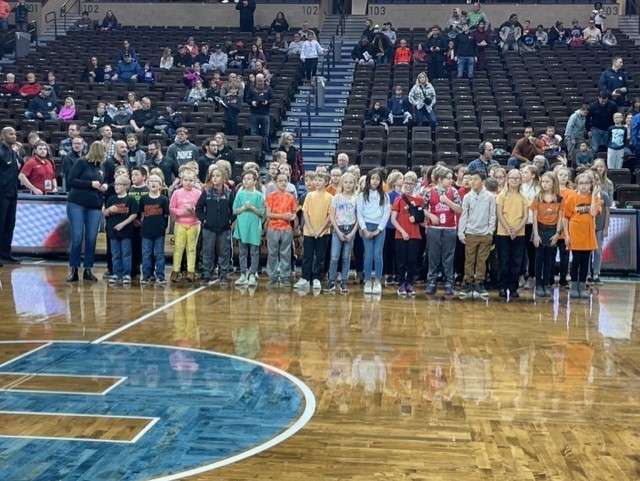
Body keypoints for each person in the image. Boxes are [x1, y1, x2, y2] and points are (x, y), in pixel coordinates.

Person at [65, 141, 109, 282]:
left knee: (91, 238)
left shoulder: (101, 166)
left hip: (94, 205)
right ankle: (74, 269)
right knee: (77, 237)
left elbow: (105, 180)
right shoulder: (81, 162)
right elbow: (71, 180)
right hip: (77, 203)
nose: (106, 155)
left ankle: (88, 269)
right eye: (104, 151)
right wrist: (90, 184)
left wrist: (104, 185)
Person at [423, 166, 461, 296]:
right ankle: (432, 281)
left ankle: (448, 282)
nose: (451, 181)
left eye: (451, 178)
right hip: (434, 228)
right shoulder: (428, 192)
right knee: (433, 256)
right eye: (448, 178)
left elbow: (459, 209)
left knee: (448, 257)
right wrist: (431, 216)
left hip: (449, 228)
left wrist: (447, 201)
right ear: (440, 179)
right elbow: (422, 208)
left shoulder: (453, 192)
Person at [457, 171, 495, 299]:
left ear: (483, 182)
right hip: (471, 232)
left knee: (481, 260)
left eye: (475, 179)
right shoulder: (467, 197)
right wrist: (461, 232)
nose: (472, 181)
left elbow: (492, 215)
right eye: (471, 179)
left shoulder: (490, 197)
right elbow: (464, 215)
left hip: (485, 233)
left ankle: (479, 282)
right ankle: (467, 282)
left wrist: (490, 231)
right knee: (469, 260)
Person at [294, 172, 333, 290]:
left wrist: (320, 230)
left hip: (323, 232)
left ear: (326, 182)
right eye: (315, 180)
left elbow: (330, 216)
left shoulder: (330, 197)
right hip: (308, 232)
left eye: (320, 180)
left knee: (320, 257)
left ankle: (317, 278)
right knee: (307, 256)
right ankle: (305, 277)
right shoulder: (309, 196)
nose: (316, 182)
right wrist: (310, 229)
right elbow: (305, 212)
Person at [195, 166, 233, 285]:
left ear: (223, 178)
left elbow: (233, 210)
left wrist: (229, 221)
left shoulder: (228, 193)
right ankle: (207, 274)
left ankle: (223, 274)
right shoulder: (206, 192)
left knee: (224, 251)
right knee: (208, 251)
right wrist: (204, 220)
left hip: (224, 227)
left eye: (217, 176)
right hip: (208, 227)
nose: (215, 178)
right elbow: (199, 209)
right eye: (213, 176)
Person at [564, 172, 600, 298]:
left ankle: (582, 287)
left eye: (586, 183)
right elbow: (565, 218)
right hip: (575, 233)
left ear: (591, 185)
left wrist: (594, 195)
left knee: (586, 262)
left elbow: (594, 212)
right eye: (581, 183)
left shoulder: (594, 198)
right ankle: (574, 287)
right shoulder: (571, 198)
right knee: (576, 261)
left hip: (588, 234)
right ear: (577, 185)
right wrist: (567, 235)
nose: (584, 186)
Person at [530, 172, 564, 298]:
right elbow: (534, 218)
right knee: (538, 259)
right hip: (539, 228)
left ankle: (546, 284)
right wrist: (536, 235)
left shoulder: (559, 199)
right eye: (543, 182)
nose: (544, 184)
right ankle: (538, 284)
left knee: (549, 259)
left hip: (552, 230)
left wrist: (557, 234)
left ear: (553, 183)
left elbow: (560, 217)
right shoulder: (537, 197)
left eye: (547, 182)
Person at [495, 169, 528, 299]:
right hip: (503, 232)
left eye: (517, 178)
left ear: (520, 181)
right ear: (507, 180)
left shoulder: (523, 197)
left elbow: (525, 216)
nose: (514, 180)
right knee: (504, 260)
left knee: (516, 261)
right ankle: (502, 287)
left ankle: (513, 288)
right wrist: (508, 228)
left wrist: (517, 228)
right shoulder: (502, 196)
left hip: (519, 233)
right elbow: (499, 213)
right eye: (512, 178)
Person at [356, 168, 390, 295]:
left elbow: (386, 214)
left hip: (379, 228)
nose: (375, 181)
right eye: (373, 179)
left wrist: (379, 229)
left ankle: (377, 280)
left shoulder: (385, 196)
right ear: (368, 180)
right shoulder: (361, 195)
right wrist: (364, 229)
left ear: (381, 181)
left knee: (378, 254)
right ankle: (367, 280)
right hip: (366, 226)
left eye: (378, 179)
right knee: (369, 254)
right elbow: (359, 213)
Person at [390, 171, 424, 297]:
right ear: (402, 183)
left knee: (412, 260)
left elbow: (421, 216)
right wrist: (402, 231)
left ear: (415, 184)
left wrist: (416, 219)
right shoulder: (399, 199)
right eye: (406, 183)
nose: (408, 186)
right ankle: (401, 283)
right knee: (400, 261)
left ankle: (410, 283)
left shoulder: (419, 199)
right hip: (401, 235)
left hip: (415, 234)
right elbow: (393, 219)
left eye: (411, 183)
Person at [324, 172, 357, 293]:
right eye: (346, 182)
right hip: (338, 229)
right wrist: (337, 231)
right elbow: (332, 216)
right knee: (334, 256)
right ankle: (331, 281)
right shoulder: (336, 198)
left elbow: (358, 218)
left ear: (354, 184)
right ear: (342, 183)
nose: (348, 185)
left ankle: (344, 281)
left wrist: (352, 232)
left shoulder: (356, 198)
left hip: (350, 229)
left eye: (351, 182)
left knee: (346, 257)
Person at [103, 175, 138, 285]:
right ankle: (116, 273)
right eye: (115, 184)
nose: (116, 186)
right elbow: (105, 213)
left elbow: (134, 214)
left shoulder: (130, 199)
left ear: (126, 186)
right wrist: (109, 209)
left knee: (126, 253)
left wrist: (123, 224)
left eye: (119, 184)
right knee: (115, 253)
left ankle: (126, 273)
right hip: (113, 231)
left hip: (126, 231)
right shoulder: (111, 199)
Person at [265, 172, 297, 286]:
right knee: (272, 252)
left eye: (285, 180)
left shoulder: (290, 197)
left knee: (286, 253)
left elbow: (294, 213)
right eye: (281, 181)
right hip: (273, 227)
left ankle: (285, 275)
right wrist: (282, 216)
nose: (283, 183)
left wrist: (291, 216)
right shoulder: (270, 196)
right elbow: (268, 214)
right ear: (275, 182)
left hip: (286, 228)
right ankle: (272, 275)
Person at [233, 170, 264, 287]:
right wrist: (243, 208)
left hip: (254, 228)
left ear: (255, 181)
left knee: (254, 252)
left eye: (249, 179)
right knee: (242, 252)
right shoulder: (240, 194)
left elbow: (261, 212)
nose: (245, 181)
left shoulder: (259, 196)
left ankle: (252, 273)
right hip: (242, 228)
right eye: (244, 179)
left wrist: (251, 207)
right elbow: (235, 210)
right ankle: (243, 274)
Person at [169, 169, 201, 283]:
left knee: (191, 248)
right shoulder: (177, 193)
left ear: (195, 181)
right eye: (186, 180)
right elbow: (171, 207)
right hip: (180, 223)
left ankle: (190, 271)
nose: (188, 182)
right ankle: (176, 270)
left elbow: (202, 208)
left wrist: (193, 210)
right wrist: (182, 212)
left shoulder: (198, 193)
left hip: (194, 223)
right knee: (178, 247)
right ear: (181, 181)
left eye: (191, 180)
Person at [139, 174, 169, 285]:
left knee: (159, 254)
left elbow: (166, 215)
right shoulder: (144, 198)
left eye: (156, 181)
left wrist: (163, 227)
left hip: (159, 232)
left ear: (160, 185)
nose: (153, 183)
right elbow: (141, 212)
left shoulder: (164, 199)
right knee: (146, 253)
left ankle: (160, 275)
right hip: (146, 231)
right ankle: (146, 276)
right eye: (151, 181)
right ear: (147, 184)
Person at [0, 127, 20, 266]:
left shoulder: (13, 153)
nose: (14, 136)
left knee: (9, 225)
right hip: (2, 194)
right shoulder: (1, 153)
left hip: (12, 194)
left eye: (15, 134)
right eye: (10, 134)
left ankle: (6, 254)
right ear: (3, 136)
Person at [590, 171, 610, 287]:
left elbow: (607, 212)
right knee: (587, 252)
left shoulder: (604, 195)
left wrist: (606, 227)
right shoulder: (586, 194)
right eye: (592, 180)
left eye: (597, 179)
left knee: (597, 251)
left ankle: (596, 273)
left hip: (600, 227)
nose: (595, 182)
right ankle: (587, 273)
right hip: (588, 228)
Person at [246, 73, 273, 156]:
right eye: (258, 80)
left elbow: (272, 99)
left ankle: (266, 150)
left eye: (261, 80)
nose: (260, 82)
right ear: (256, 80)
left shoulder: (268, 88)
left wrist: (267, 102)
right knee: (254, 133)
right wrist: (252, 102)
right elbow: (247, 99)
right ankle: (255, 151)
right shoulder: (251, 88)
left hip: (265, 114)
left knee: (265, 134)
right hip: (254, 113)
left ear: (263, 79)